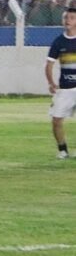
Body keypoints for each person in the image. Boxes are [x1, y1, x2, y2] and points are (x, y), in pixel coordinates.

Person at [45, 8, 76, 160]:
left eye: (71, 17)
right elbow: (49, 65)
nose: (68, 20)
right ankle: (63, 150)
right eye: (66, 18)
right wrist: (51, 83)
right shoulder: (59, 41)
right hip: (65, 89)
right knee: (56, 120)